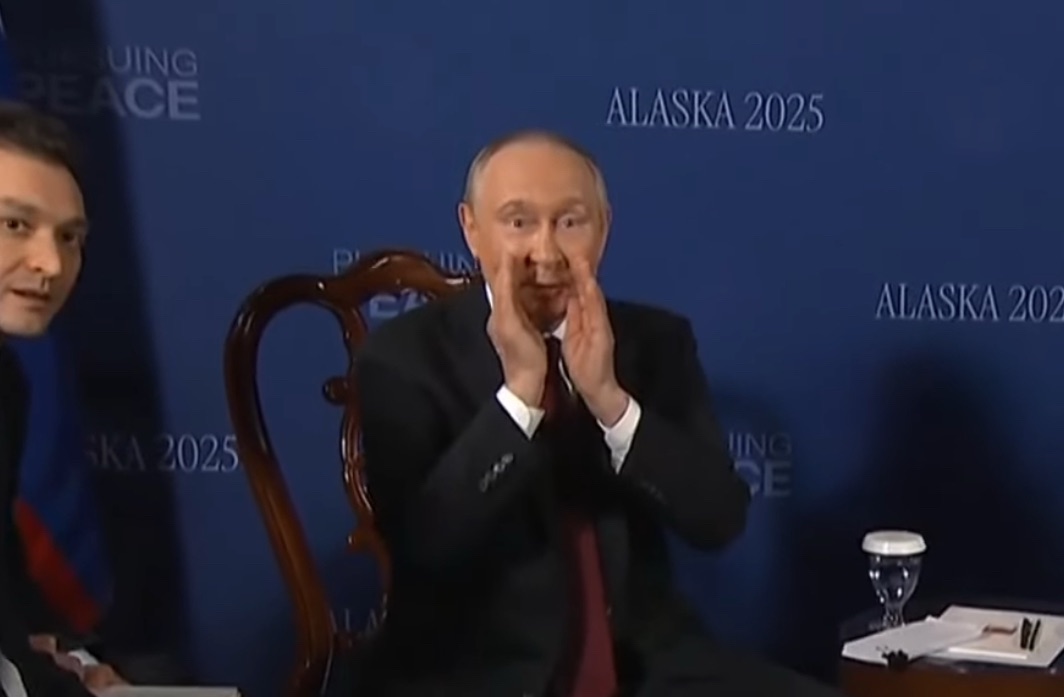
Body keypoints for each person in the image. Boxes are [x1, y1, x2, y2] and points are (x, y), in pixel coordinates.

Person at [353, 130, 844, 696]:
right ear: (471, 229)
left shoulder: (656, 341)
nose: (546, 253)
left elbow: (718, 521)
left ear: (604, 229)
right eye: (518, 222)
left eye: (570, 222)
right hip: (474, 674)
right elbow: (423, 548)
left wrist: (612, 403)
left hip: (649, 667)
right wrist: (520, 399)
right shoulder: (405, 357)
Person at [0, 100, 123, 696]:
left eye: (70, 238)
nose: (51, 263)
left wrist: (56, 649)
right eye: (14, 225)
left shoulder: (5, 378)